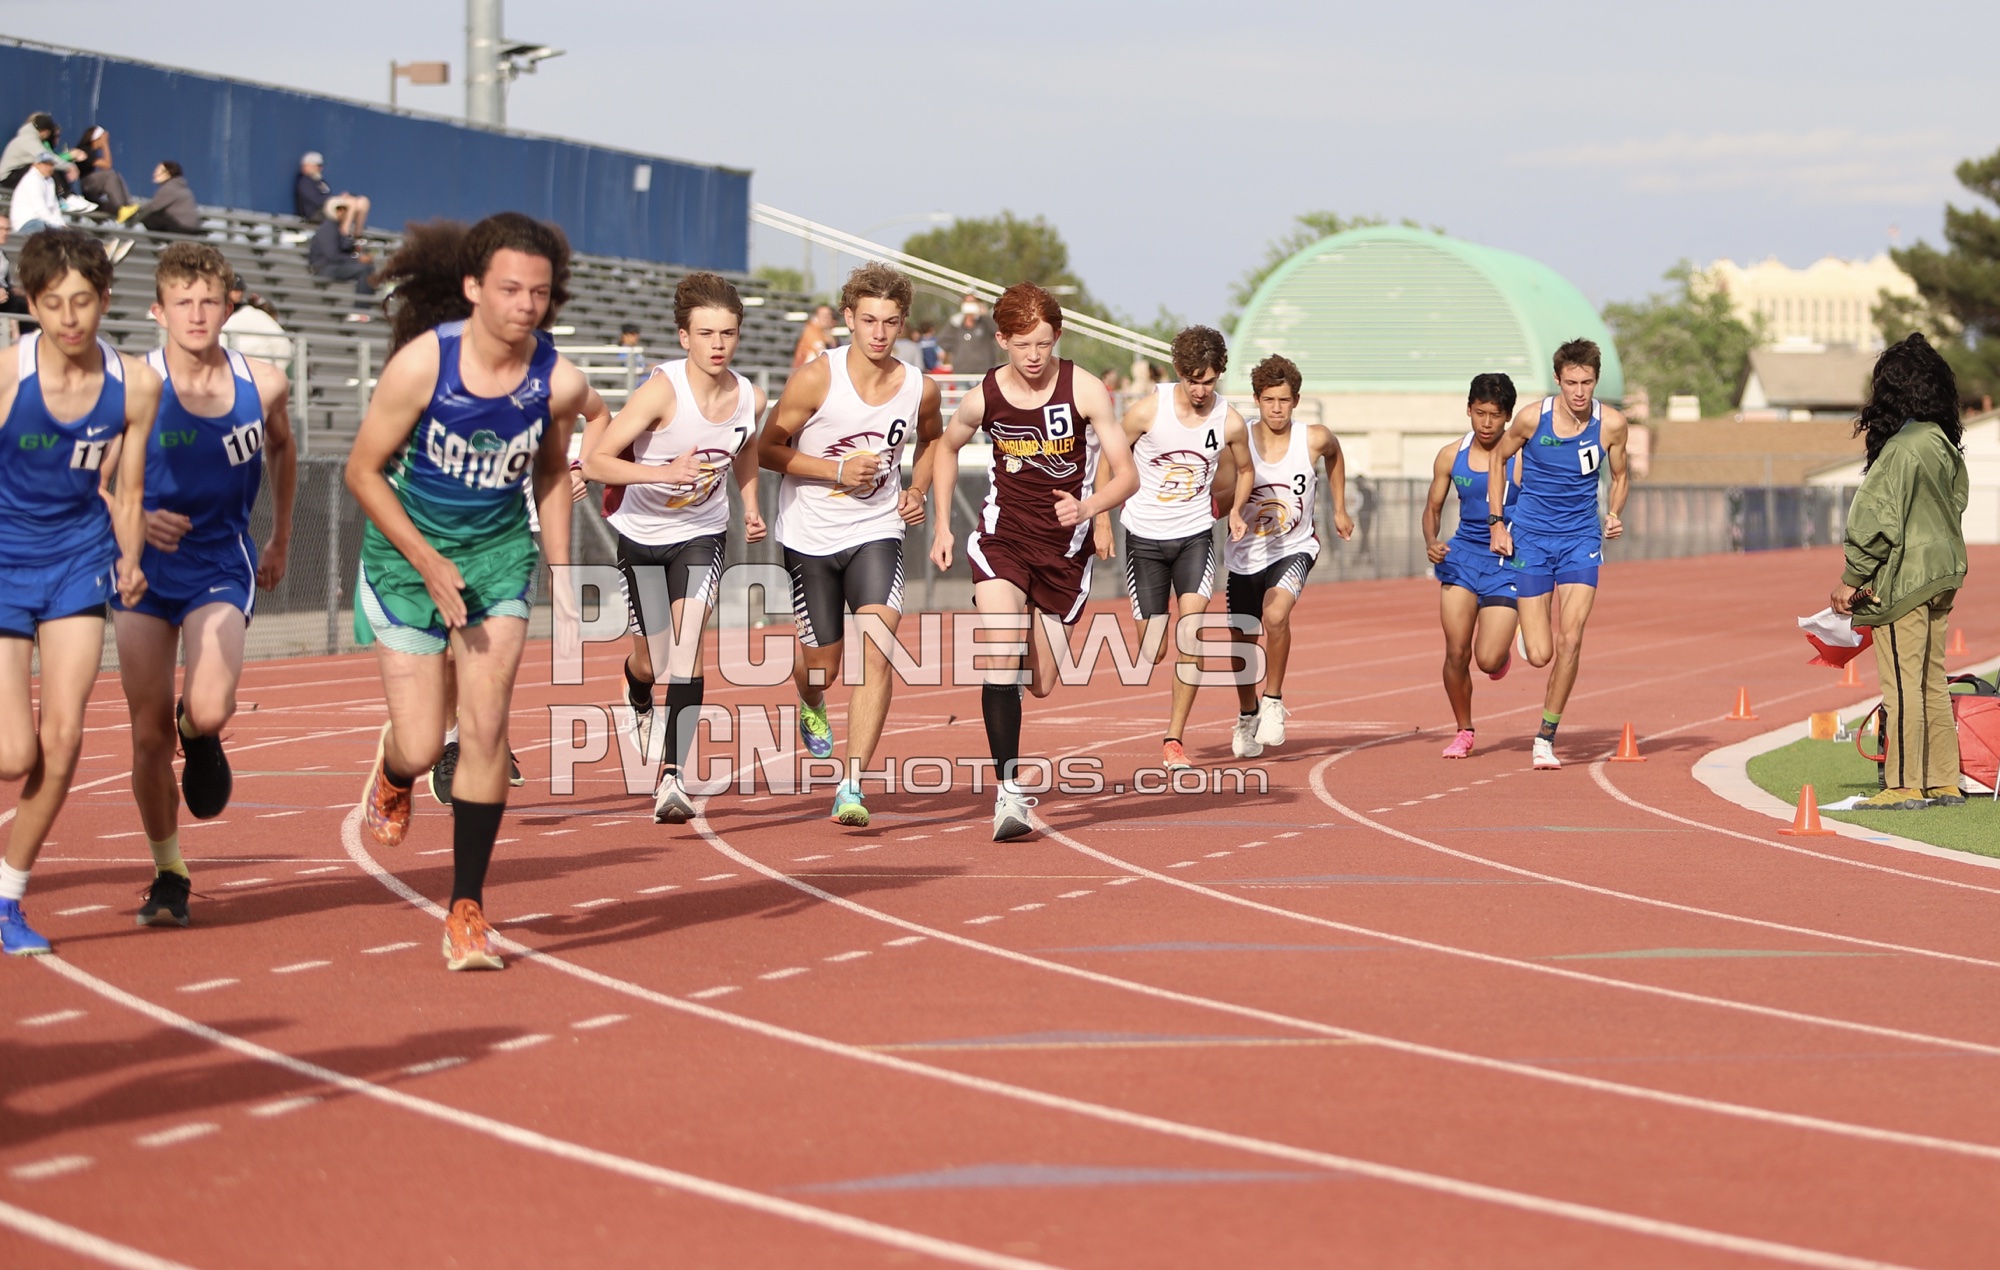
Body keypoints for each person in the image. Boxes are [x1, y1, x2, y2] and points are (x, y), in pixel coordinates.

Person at [345, 213, 607, 971]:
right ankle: (395, 771)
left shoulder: (558, 381)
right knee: (424, 743)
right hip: (407, 561)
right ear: (473, 288)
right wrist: (426, 559)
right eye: (510, 289)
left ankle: (467, 910)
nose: (525, 305)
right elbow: (362, 471)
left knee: (486, 728)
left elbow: (552, 471)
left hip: (496, 560)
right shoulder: (423, 366)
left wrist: (560, 569)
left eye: (539, 293)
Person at [114, 243, 295, 928]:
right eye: (182, 302)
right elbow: (90, 475)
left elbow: (283, 445)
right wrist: (133, 516)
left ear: (228, 306)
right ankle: (170, 872)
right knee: (146, 737)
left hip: (220, 560)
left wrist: (279, 535)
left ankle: (199, 729)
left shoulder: (263, 383)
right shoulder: (132, 384)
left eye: (209, 301)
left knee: (210, 707)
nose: (196, 314)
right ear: (158, 311)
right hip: (143, 566)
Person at [929, 282, 1136, 840]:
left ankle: (1013, 682)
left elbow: (1127, 474)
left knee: (1040, 681)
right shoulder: (984, 395)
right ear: (1002, 340)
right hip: (1003, 537)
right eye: (1023, 345)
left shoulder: (1085, 390)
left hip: (1064, 552)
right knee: (1000, 651)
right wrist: (944, 523)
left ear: (1057, 337)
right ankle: (1009, 794)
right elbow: (945, 447)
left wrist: (1090, 507)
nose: (1034, 356)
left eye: (1044, 343)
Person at [0, 230, 159, 955]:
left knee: (62, 741)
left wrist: (131, 558)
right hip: (4, 564)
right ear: (31, 305)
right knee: (12, 755)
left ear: (105, 300)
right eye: (53, 303)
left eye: (83, 301)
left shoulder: (136, 385)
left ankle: (8, 899)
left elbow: (130, 488)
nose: (70, 318)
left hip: (77, 564)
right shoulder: (8, 376)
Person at [583, 272, 768, 824]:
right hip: (642, 536)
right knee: (653, 659)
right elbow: (596, 463)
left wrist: (750, 503)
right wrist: (662, 472)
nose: (718, 344)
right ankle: (638, 691)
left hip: (701, 534)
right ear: (684, 337)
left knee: (687, 649)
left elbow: (746, 448)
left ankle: (672, 778)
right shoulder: (662, 391)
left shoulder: (749, 397)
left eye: (728, 333)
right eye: (706, 333)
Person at [761, 263, 941, 828]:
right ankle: (811, 701)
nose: (879, 333)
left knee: (877, 650)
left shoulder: (920, 387)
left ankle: (852, 784)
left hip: (876, 530)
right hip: (810, 534)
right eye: (868, 320)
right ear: (848, 318)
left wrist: (916, 489)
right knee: (823, 666)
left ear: (902, 323)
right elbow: (767, 450)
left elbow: (933, 442)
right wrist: (835, 470)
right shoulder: (817, 378)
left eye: (890, 322)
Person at [1096, 325, 1250, 771]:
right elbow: (1107, 459)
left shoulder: (1230, 420)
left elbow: (1245, 469)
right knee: (1153, 650)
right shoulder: (1147, 411)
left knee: (1192, 634)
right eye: (1193, 380)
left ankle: (1174, 739)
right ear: (1180, 372)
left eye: (1209, 381)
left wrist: (1236, 511)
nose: (1201, 390)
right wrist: (1102, 519)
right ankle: (1150, 620)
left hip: (1195, 536)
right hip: (1144, 537)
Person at [1831, 333, 1969, 809]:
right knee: (1932, 680)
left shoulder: (1901, 448)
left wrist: (1851, 579)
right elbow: (1956, 502)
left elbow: (1873, 520)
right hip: (1943, 573)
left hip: (1906, 579)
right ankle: (1943, 780)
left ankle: (1904, 785)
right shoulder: (1941, 442)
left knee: (1903, 684)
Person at [1487, 338, 1630, 771]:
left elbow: (1621, 475)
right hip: (1531, 539)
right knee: (1540, 654)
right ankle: (1525, 633)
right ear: (1558, 380)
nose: (1579, 392)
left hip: (1580, 540)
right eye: (1571, 383)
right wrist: (1497, 522)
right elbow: (1497, 459)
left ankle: (1545, 737)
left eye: (1587, 383)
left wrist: (1614, 513)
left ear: (1596, 381)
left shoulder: (1612, 425)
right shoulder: (1533, 419)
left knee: (1572, 638)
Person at [1219, 354, 1352, 757]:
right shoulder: (1237, 438)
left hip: (1294, 547)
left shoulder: (1313, 438)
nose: (1276, 409)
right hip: (1245, 553)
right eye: (1268, 400)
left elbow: (1335, 455)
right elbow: (1220, 493)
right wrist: (1231, 510)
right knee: (1242, 637)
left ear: (1296, 401)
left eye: (1284, 400)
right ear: (1256, 400)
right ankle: (1248, 714)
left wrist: (1340, 508)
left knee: (1276, 615)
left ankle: (1273, 700)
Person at [1423, 373, 1521, 758]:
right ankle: (1464, 730)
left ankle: (1501, 654)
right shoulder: (1451, 455)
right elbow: (1432, 509)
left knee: (1488, 659)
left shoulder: (1523, 457)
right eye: (1480, 413)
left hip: (1507, 562)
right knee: (1456, 652)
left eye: (1495, 415)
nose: (1486, 423)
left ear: (1508, 416)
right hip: (1462, 558)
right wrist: (1432, 541)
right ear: (1468, 410)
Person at [220, 273, 294, 363]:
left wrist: (276, 368)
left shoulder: (253, 314)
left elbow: (281, 343)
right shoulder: (216, 312)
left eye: (240, 289)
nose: (238, 293)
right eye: (234, 289)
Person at [309, 215, 375, 311]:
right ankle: (360, 310)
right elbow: (332, 256)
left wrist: (352, 246)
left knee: (368, 267)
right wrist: (358, 259)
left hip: (335, 266)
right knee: (365, 269)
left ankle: (362, 308)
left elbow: (344, 248)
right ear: (339, 211)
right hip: (324, 268)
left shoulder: (339, 228)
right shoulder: (328, 228)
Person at [295, 152, 370, 234]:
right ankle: (344, 234)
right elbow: (316, 200)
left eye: (320, 166)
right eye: (317, 166)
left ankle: (357, 234)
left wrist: (341, 198)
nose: (320, 168)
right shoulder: (305, 182)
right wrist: (338, 199)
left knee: (363, 201)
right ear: (307, 166)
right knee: (351, 202)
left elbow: (328, 196)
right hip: (316, 213)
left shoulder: (321, 182)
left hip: (329, 207)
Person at [76, 128, 136, 218]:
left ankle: (127, 205)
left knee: (116, 176)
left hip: (91, 184)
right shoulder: (85, 150)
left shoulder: (91, 151)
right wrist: (105, 145)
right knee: (110, 175)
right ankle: (120, 208)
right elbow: (107, 165)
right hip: (87, 184)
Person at [129, 162, 201, 235]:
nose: (155, 174)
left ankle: (157, 240)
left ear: (169, 173)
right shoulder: (181, 187)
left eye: (159, 171)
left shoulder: (169, 187)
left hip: (182, 227)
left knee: (149, 217)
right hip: (190, 227)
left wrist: (131, 222)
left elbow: (152, 208)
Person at [937, 292, 999, 377]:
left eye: (973, 302)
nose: (970, 305)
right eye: (967, 302)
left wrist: (985, 315)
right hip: (961, 371)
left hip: (984, 371)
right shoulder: (955, 323)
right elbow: (942, 341)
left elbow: (999, 333)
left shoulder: (985, 322)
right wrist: (957, 349)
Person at [12, 152, 66, 236]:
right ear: (36, 164)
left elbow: (54, 207)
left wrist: (61, 224)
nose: (49, 167)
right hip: (26, 222)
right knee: (51, 231)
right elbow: (40, 208)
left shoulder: (50, 181)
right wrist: (57, 225)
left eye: (51, 164)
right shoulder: (32, 179)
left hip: (43, 221)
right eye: (45, 164)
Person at [0, 217, 29, 317]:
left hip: (6, 295)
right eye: (1, 229)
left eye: (7, 229)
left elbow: (5, 282)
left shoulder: (3, 255)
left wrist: (16, 291)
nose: (5, 233)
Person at [791, 304, 836, 368]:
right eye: (823, 315)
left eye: (828, 315)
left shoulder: (826, 332)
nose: (826, 318)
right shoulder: (811, 330)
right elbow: (820, 352)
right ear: (816, 316)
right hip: (806, 370)